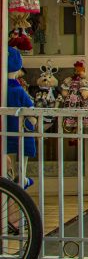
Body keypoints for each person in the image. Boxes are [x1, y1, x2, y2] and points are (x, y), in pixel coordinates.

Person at [6, 46, 36, 189]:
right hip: (21, 129)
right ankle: (22, 179)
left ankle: (9, 178)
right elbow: (30, 110)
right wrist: (33, 120)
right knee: (22, 155)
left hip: (6, 128)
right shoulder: (18, 90)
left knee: (7, 154)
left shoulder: (4, 89)